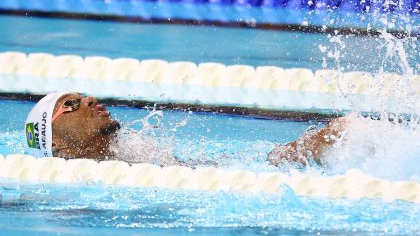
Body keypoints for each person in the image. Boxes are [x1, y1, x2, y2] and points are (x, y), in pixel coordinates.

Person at [24, 92, 348, 166]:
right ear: (56, 145)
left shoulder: (134, 153)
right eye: (70, 105)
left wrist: (283, 156)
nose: (89, 99)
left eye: (83, 96)